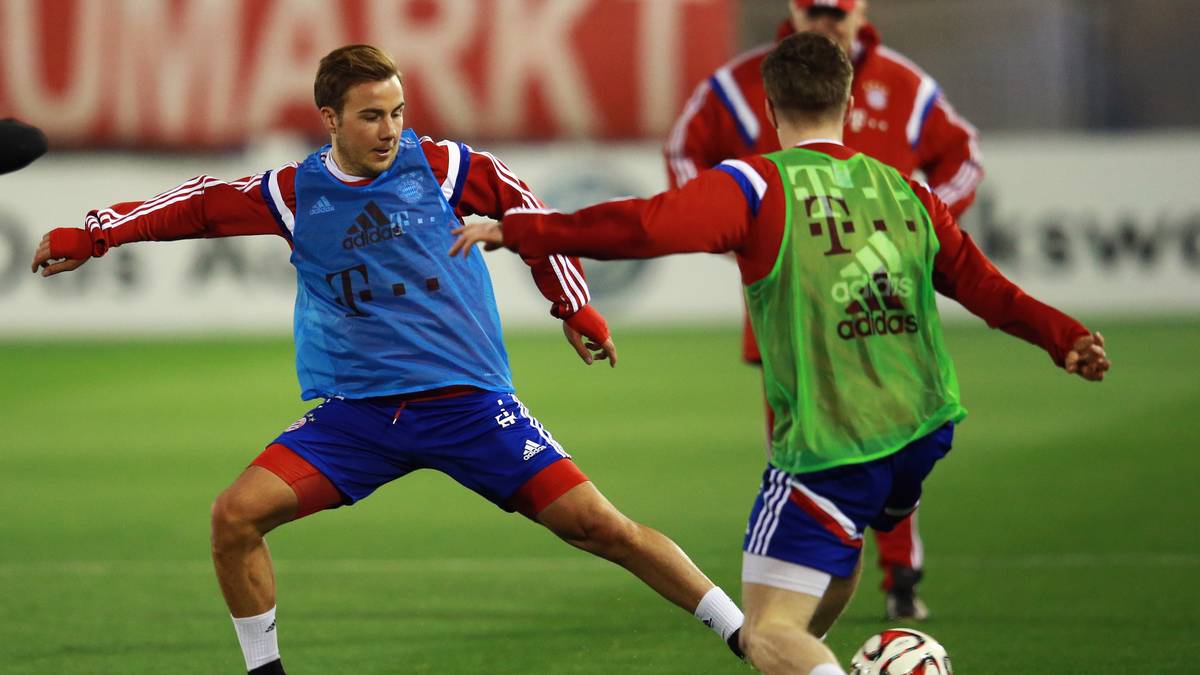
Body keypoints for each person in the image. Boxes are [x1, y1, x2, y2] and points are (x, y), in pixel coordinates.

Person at [30, 45, 745, 674]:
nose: (391, 128)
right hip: (358, 420)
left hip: (470, 407)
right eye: (372, 115)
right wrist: (96, 235)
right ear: (330, 119)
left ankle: (744, 633)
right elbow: (196, 205)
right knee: (233, 517)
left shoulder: (444, 166)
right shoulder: (292, 193)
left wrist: (573, 303)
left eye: (398, 111)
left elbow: (527, 212)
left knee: (604, 528)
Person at [452, 32, 1109, 675]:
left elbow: (646, 226)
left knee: (766, 631)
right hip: (923, 428)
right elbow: (986, 288)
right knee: (832, 558)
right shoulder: (905, 191)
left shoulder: (758, 186)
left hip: (832, 444)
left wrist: (519, 228)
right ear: (850, 103)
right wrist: (1064, 336)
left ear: (768, 110)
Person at [664, 0, 984, 620]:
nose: (828, 20)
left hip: (879, 302)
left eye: (838, 11)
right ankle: (808, 573)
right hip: (795, 311)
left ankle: (900, 575)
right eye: (817, 10)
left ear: (862, 10)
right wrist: (734, 228)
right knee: (802, 444)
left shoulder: (904, 83)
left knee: (895, 438)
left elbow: (964, 154)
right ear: (793, 9)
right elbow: (684, 151)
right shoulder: (742, 83)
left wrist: (919, 223)